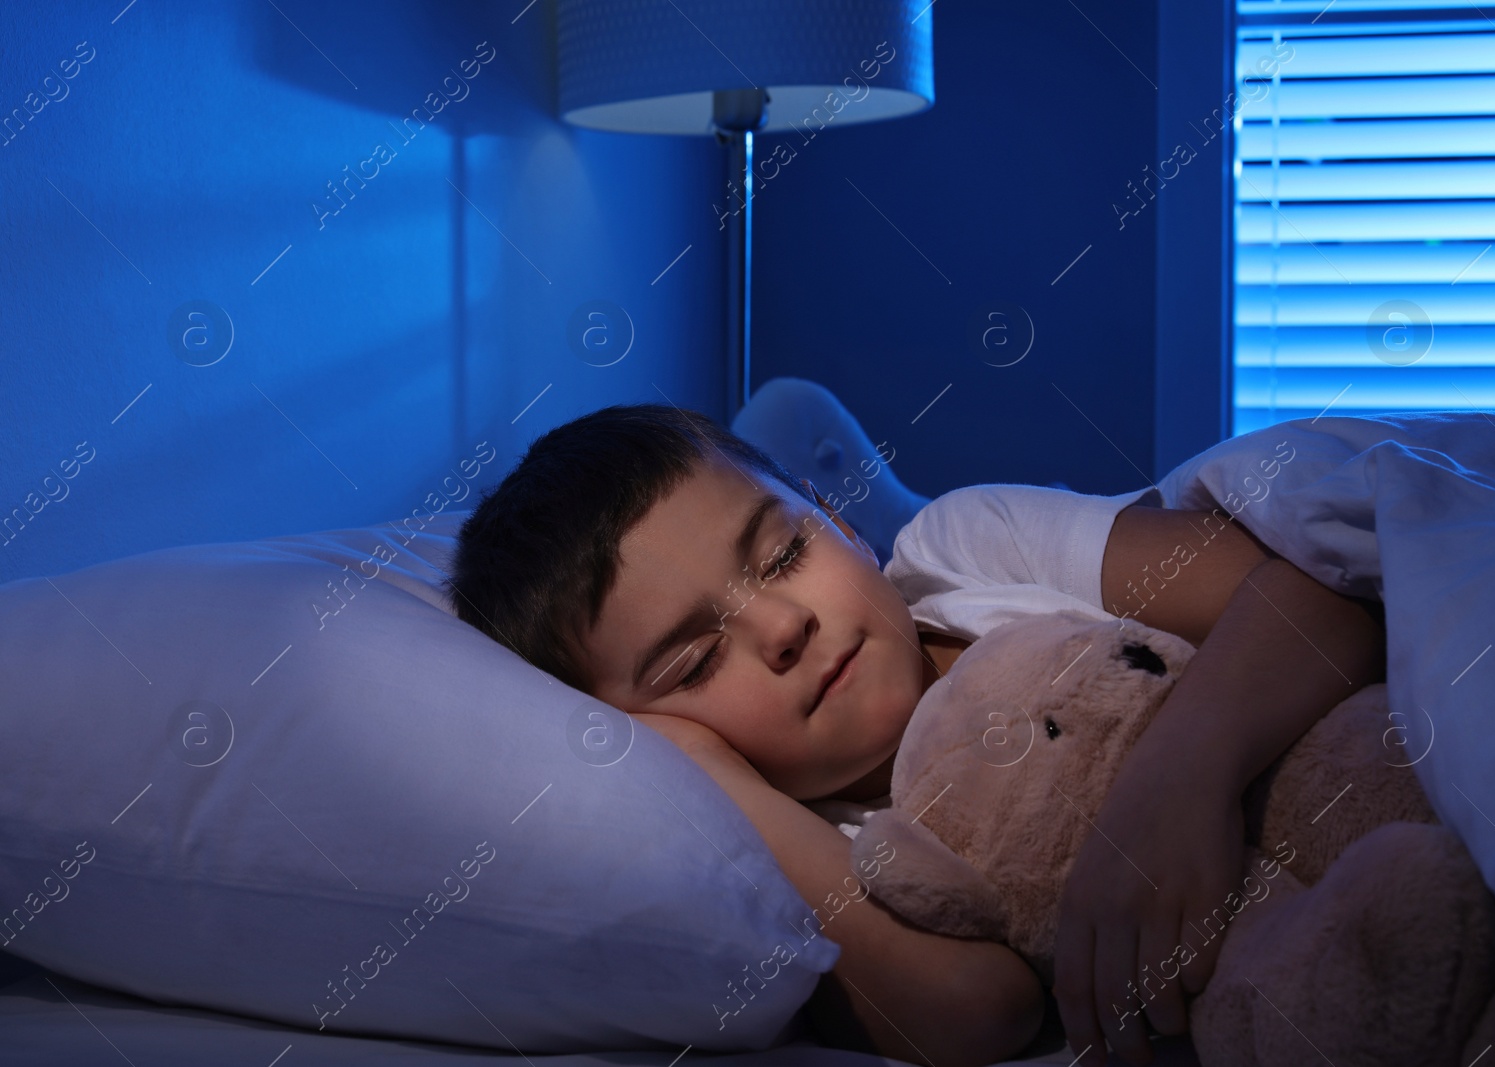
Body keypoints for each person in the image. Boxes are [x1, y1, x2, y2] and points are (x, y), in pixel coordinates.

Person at [449, 402, 1386, 1067]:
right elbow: (975, 1016)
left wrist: (1178, 782)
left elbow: (1329, 582)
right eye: (694, 663)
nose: (781, 627)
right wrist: (708, 777)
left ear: (848, 528)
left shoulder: (965, 549)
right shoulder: (817, 850)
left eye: (783, 554)